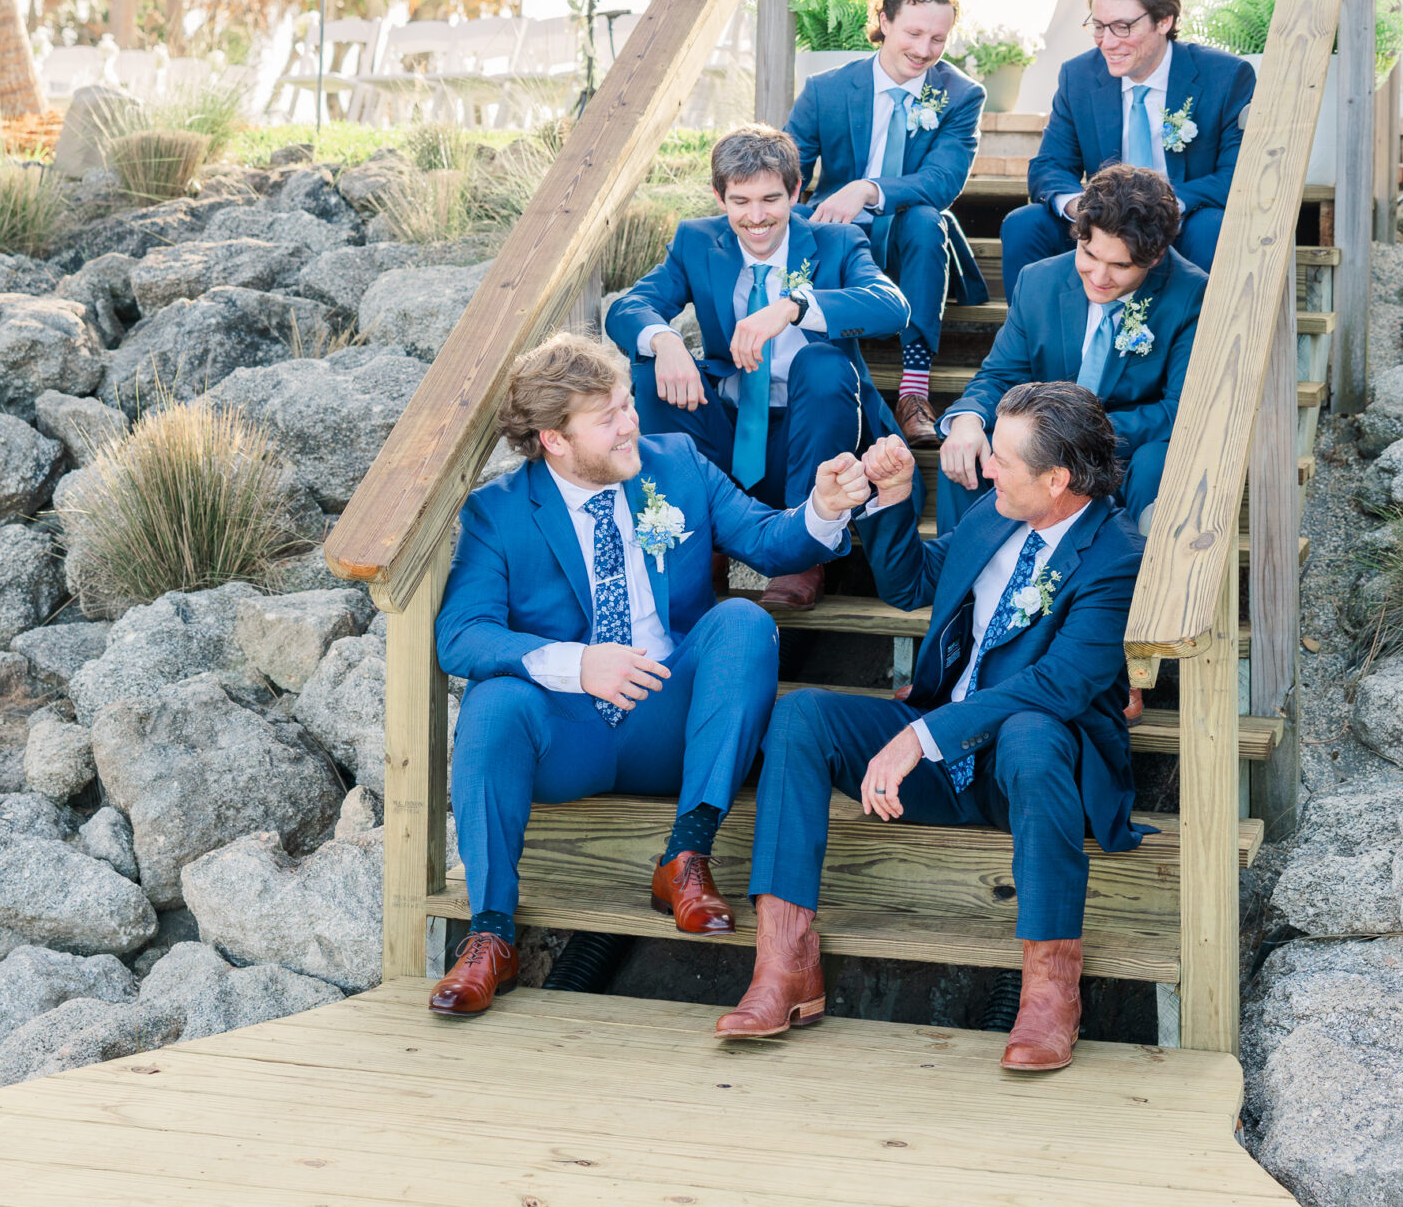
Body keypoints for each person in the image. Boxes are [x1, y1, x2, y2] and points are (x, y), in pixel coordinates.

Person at [427, 333, 873, 1018]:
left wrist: (825, 507)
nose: (631, 423)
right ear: (554, 439)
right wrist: (577, 663)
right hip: (566, 730)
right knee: (491, 702)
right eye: (608, 416)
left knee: (742, 621)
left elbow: (767, 538)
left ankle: (685, 859)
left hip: (671, 719)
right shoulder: (499, 511)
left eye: (628, 404)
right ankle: (491, 933)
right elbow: (462, 633)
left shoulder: (677, 464)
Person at [717, 382, 1150, 1073]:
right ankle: (784, 963)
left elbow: (1060, 684)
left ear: (1057, 480)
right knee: (799, 715)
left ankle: (1050, 989)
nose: (986, 468)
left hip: (1030, 773)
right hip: (946, 752)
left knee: (1033, 732)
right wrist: (893, 499)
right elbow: (910, 584)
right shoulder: (996, 512)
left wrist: (920, 737)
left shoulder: (1116, 556)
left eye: (1004, 459)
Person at [606, 125, 911, 613]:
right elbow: (629, 308)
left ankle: (805, 549)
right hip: (729, 434)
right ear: (719, 197)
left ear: (796, 192)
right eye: (740, 201)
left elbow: (891, 307)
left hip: (812, 437)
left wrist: (794, 306)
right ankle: (692, 540)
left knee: (823, 363)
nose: (756, 217)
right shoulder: (696, 240)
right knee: (651, 372)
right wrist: (665, 340)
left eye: (770, 199)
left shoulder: (837, 241)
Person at [784, 0, 990, 448]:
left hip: (908, 240)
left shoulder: (962, 95)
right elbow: (786, 172)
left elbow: (942, 182)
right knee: (793, 219)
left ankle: (914, 391)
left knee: (926, 219)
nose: (924, 50)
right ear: (884, 21)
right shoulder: (826, 89)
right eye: (913, 33)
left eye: (937, 38)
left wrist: (867, 189)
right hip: (838, 232)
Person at [936, 165, 1206, 530]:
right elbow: (1000, 376)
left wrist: (1072, 437)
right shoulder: (1038, 281)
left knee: (1156, 462)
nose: (1099, 277)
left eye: (1120, 265)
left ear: (1156, 255)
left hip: (1122, 451)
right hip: (1039, 445)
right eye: (1089, 254)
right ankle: (963, 563)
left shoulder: (1191, 295)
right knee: (965, 449)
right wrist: (968, 419)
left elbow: (1178, 410)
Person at [998, 0, 1255, 282]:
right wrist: (1081, 207)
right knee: (1024, 224)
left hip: (1183, 223)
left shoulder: (1226, 76)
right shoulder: (1078, 76)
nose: (1107, 42)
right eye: (1098, 26)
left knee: (1212, 228)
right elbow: (1050, 165)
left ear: (1164, 21)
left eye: (1122, 27)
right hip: (1101, 227)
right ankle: (1035, 318)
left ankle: (1197, 318)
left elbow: (1236, 174)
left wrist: (1166, 206)